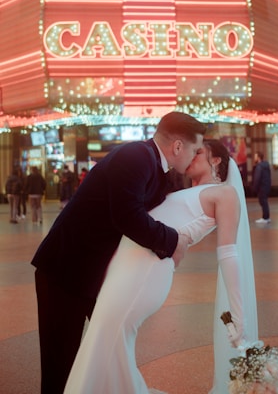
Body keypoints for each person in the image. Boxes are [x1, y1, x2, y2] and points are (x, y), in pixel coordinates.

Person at [64, 139, 258, 394]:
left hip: (147, 270)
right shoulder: (178, 190)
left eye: (199, 152)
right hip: (126, 264)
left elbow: (228, 254)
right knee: (105, 332)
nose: (191, 156)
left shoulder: (225, 193)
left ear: (217, 160)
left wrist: (237, 313)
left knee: (111, 333)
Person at [31, 111, 205, 394]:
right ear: (177, 147)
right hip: (64, 271)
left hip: (93, 274)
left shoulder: (155, 169)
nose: (194, 156)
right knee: (60, 362)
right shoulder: (135, 156)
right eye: (195, 149)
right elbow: (127, 216)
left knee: (107, 350)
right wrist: (174, 242)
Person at [252, 151, 271, 223]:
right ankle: (267, 217)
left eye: (255, 156)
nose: (254, 158)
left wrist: (254, 188)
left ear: (258, 157)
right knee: (264, 201)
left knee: (263, 202)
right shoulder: (266, 165)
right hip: (266, 186)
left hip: (262, 187)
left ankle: (265, 218)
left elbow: (257, 178)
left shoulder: (259, 166)